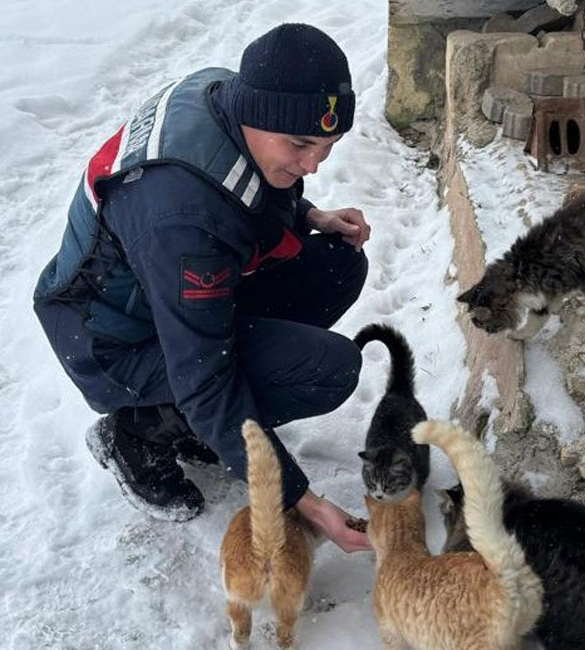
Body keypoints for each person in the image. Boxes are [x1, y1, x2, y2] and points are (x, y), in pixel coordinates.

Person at [33, 23, 371, 552]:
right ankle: (138, 436)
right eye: (301, 144)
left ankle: (202, 424)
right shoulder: (184, 220)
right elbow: (204, 373)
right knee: (329, 371)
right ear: (256, 113)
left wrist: (311, 214)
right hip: (112, 341)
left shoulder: (225, 97)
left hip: (159, 293)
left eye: (327, 147)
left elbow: (246, 191)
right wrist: (303, 501)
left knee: (338, 264)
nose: (312, 163)